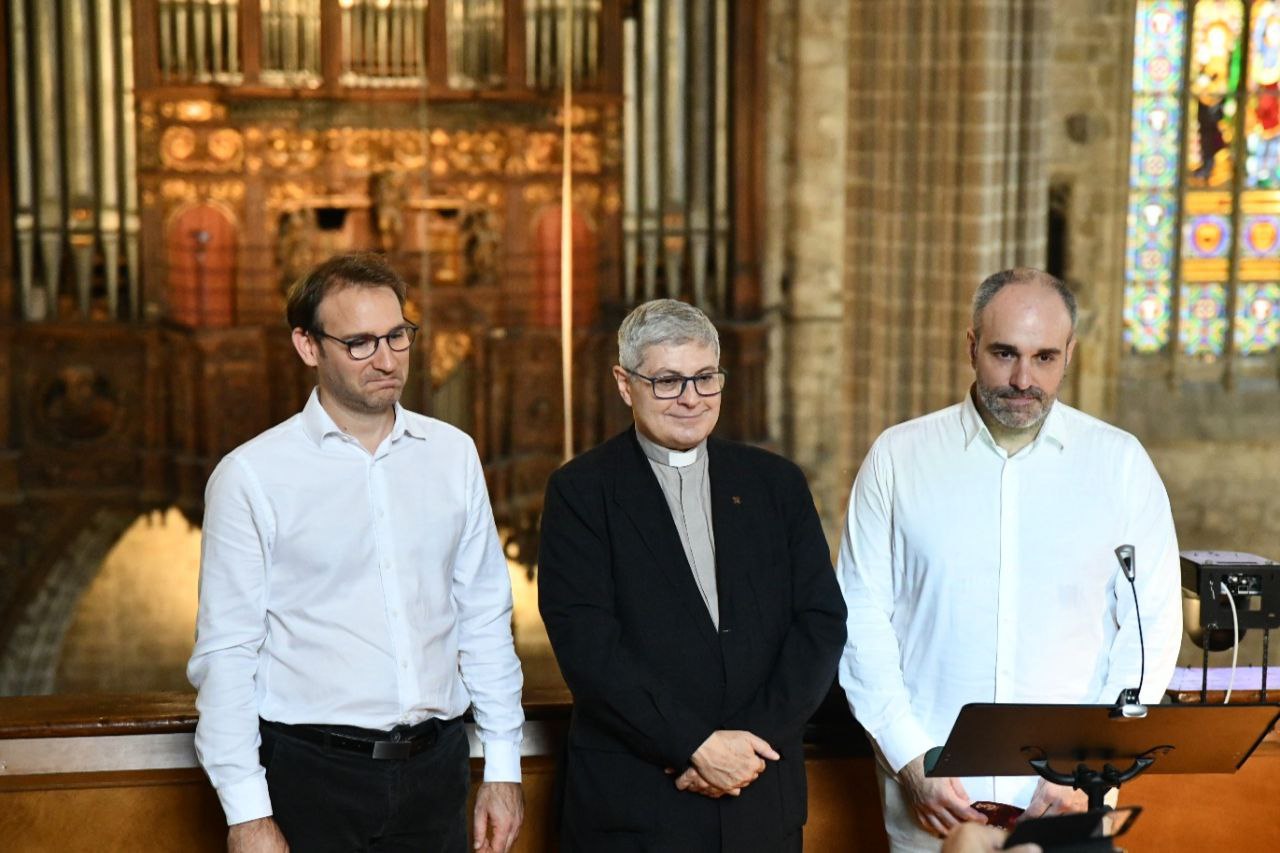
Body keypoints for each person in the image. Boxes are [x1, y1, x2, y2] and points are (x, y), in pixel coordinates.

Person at [188, 253, 525, 853]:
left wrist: (502, 767)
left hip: (438, 767)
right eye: (361, 342)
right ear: (308, 346)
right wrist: (247, 814)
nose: (388, 359)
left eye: (398, 336)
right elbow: (228, 652)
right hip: (312, 775)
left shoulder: (453, 454)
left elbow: (484, 617)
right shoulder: (251, 475)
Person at [837, 268, 1182, 852]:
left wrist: (1088, 770)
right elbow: (859, 620)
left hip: (1069, 796)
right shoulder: (898, 458)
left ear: (1069, 354)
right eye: (1005, 354)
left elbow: (1151, 629)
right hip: (935, 800)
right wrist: (910, 761)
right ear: (971, 346)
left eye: (1045, 357)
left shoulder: (1120, 464)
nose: (1024, 379)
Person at [537, 299, 847, 852]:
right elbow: (588, 647)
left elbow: (820, 623)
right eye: (667, 381)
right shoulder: (581, 492)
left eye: (705, 378)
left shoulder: (775, 484)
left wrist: (748, 748)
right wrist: (695, 745)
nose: (690, 398)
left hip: (761, 798)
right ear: (624, 384)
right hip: (636, 805)